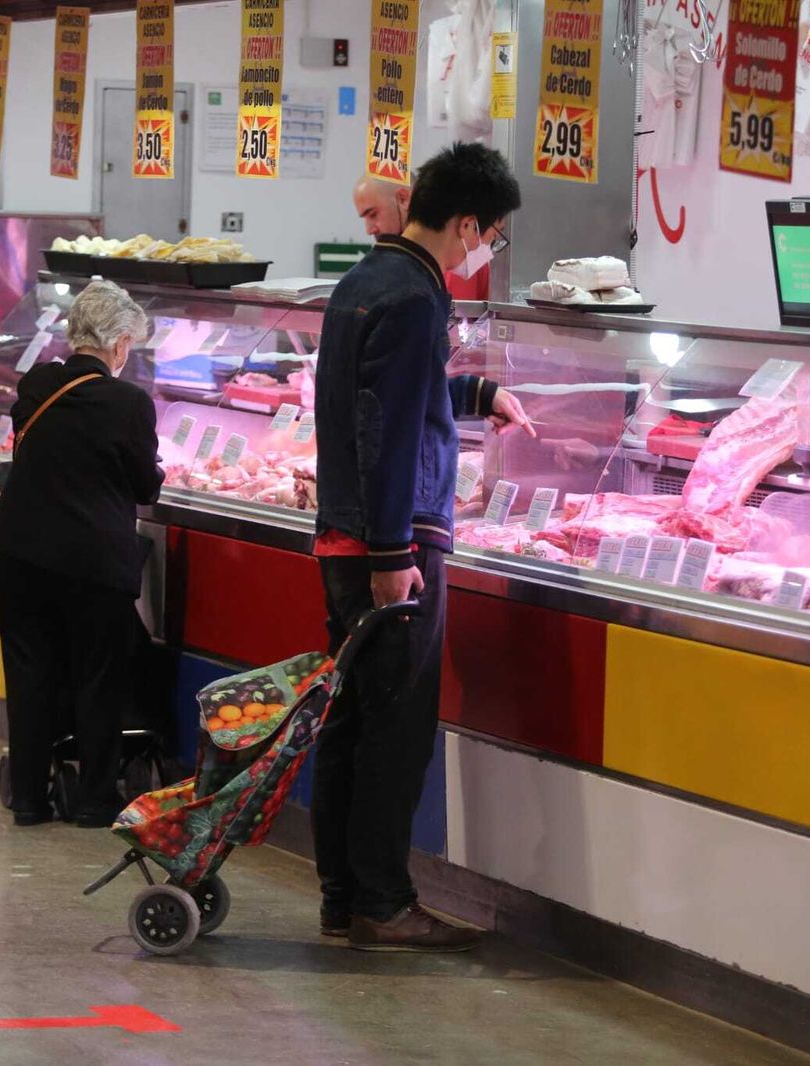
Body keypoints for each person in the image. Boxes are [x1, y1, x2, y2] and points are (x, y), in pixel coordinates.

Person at [314, 143, 532, 952]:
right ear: (467, 222)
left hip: (343, 531)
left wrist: (473, 392)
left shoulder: (364, 281)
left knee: (350, 721)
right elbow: (391, 429)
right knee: (394, 729)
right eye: (492, 235)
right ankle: (382, 901)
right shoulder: (415, 297)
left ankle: (342, 896)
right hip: (390, 541)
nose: (487, 250)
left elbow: (382, 397)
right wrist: (390, 556)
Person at [0, 280, 163, 828]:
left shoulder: (38, 385)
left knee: (30, 677)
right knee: (97, 679)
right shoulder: (129, 402)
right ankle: (94, 800)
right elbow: (143, 487)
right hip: (91, 565)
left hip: (19, 555)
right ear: (120, 343)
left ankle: (30, 800)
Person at [353, 172, 491, 300]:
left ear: (403, 199)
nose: (369, 230)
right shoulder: (406, 261)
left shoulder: (452, 253)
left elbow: (452, 323)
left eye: (373, 214)